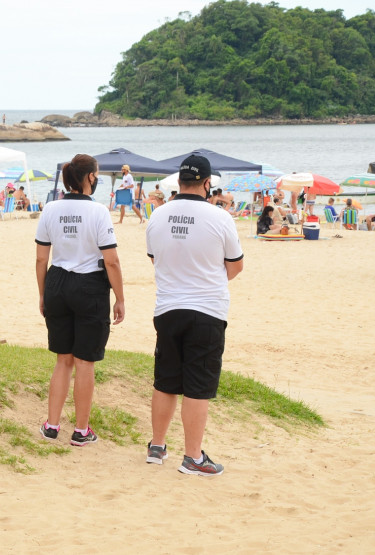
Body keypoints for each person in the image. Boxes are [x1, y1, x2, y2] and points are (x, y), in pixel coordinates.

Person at [144, 155, 243, 476]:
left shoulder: (158, 215)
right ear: (206, 183)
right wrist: (207, 278)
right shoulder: (219, 217)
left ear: (179, 182)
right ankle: (193, 457)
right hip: (207, 309)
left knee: (166, 381)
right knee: (198, 385)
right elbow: (235, 265)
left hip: (168, 307)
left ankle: (157, 446)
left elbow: (155, 259)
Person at [35, 154, 125, 445]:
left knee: (63, 360)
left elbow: (41, 258)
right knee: (85, 362)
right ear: (89, 177)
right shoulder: (98, 212)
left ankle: (51, 425)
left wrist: (42, 293)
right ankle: (81, 430)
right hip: (89, 286)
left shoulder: (50, 208)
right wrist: (120, 298)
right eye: (96, 174)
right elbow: (111, 261)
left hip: (57, 282)